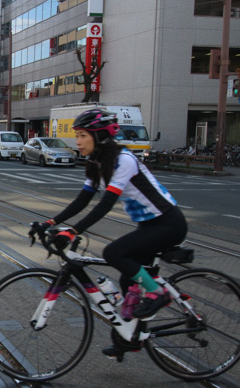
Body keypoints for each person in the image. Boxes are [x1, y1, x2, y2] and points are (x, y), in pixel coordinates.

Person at [29, 109, 187, 354]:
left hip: (168, 223)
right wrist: (50, 223)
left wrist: (72, 231)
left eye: (82, 135)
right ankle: (131, 337)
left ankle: (158, 293)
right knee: (127, 278)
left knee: (114, 253)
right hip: (149, 225)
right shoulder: (96, 163)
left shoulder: (123, 161)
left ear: (99, 136)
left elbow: (105, 204)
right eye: (77, 136)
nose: (77, 142)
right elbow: (82, 200)